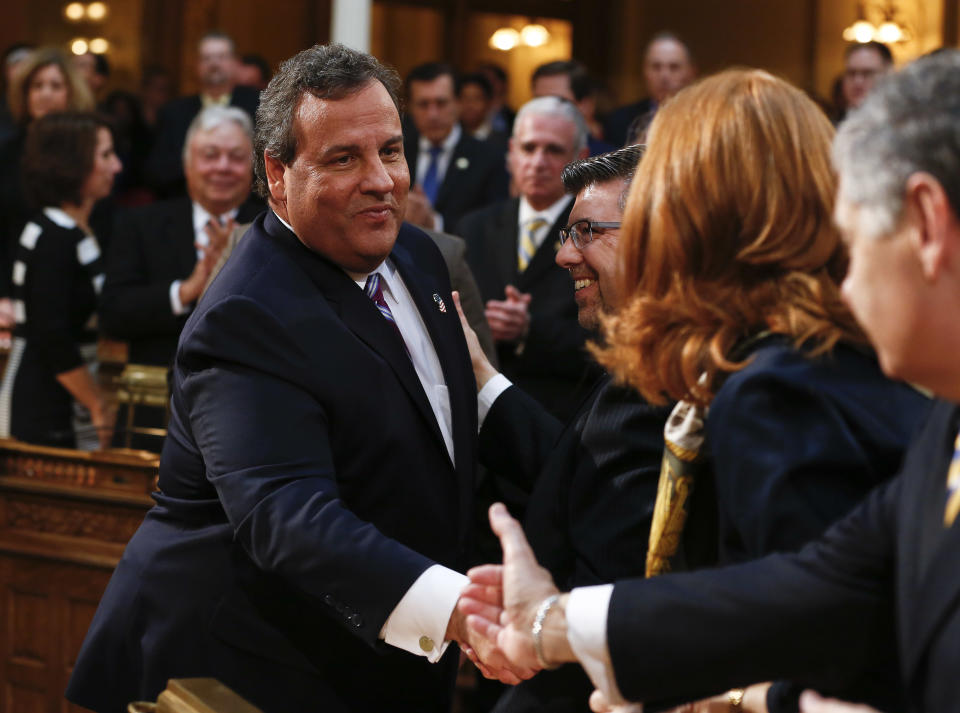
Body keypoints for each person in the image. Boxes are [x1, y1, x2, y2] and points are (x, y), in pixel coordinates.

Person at [461, 53, 960, 713]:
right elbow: (808, 589)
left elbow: (818, 645)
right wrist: (552, 623)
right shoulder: (935, 422)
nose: (845, 267)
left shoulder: (781, 386)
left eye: (857, 229)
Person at [66, 43, 529, 713]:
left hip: (378, 653)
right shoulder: (246, 313)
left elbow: (435, 437)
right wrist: (457, 607)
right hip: (234, 669)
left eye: (391, 151)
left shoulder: (419, 255)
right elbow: (288, 515)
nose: (380, 179)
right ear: (277, 173)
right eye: (344, 158)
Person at [458, 145, 672, 713]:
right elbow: (586, 472)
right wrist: (482, 378)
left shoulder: (660, 382)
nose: (564, 256)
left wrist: (543, 625)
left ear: (655, 236)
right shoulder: (639, 362)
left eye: (584, 231)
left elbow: (621, 601)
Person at [99, 106, 263, 449]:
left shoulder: (273, 229)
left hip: (248, 417)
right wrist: (186, 291)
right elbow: (113, 313)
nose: (222, 167)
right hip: (151, 411)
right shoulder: (140, 224)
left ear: (252, 167)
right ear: (187, 163)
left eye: (236, 157)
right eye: (210, 155)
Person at [458, 96, 599, 422]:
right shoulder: (473, 227)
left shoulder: (597, 234)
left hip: (563, 417)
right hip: (480, 421)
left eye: (553, 150)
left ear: (580, 159)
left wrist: (529, 331)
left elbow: (610, 340)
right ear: (510, 153)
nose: (538, 162)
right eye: (528, 148)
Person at [0, 112, 120, 449]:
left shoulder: (72, 229)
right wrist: (97, 403)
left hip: (65, 393)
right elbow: (50, 334)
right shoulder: (51, 237)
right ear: (74, 164)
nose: (117, 167)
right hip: (41, 403)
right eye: (106, 155)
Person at [145, 31, 260, 196]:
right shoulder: (174, 112)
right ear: (196, 66)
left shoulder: (259, 106)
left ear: (235, 63)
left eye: (221, 57)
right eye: (206, 58)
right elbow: (155, 172)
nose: (214, 64)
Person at [402, 62, 509, 232]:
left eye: (441, 103)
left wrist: (434, 223)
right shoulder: (396, 152)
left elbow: (494, 226)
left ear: (458, 103)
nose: (433, 115)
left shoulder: (489, 157)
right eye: (423, 104)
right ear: (410, 108)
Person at [604, 33, 695, 147]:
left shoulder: (707, 120)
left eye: (674, 67)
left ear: (691, 73)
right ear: (644, 72)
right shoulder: (619, 121)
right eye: (656, 67)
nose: (664, 76)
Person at [530, 60, 614, 155]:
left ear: (586, 105)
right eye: (539, 102)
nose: (546, 110)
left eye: (558, 101)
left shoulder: (610, 164)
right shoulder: (519, 159)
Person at [835, 41, 893, 121]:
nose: (858, 81)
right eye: (851, 73)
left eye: (867, 73)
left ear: (888, 76)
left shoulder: (906, 128)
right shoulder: (828, 128)